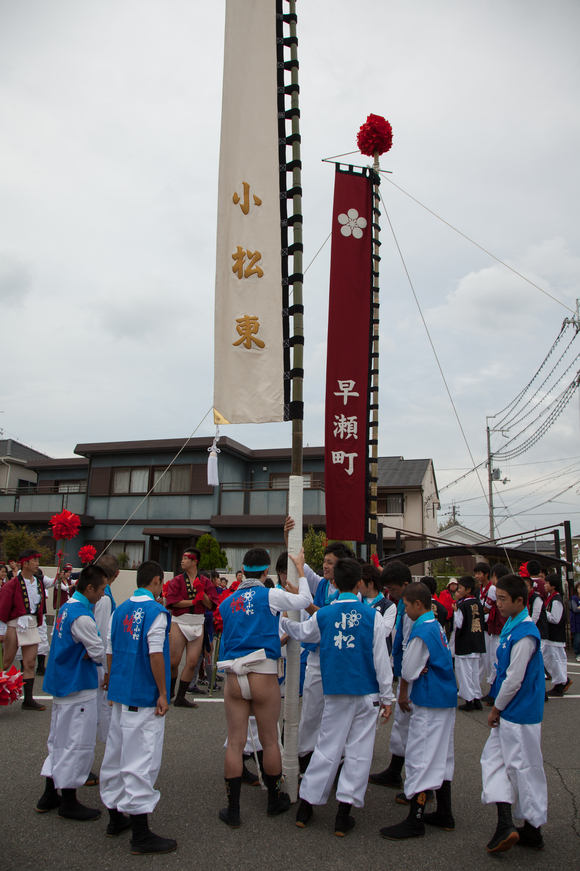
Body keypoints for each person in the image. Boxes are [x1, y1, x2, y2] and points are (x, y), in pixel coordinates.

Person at [281, 558, 393, 836]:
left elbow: (303, 633)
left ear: (333, 583)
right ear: (358, 584)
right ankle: (343, 814)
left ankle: (306, 806)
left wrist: (285, 621)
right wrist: (387, 697)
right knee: (358, 752)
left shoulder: (324, 614)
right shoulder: (373, 616)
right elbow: (382, 660)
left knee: (327, 747)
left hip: (335, 691)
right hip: (366, 692)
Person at [217, 546, 312, 828]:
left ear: (243, 570)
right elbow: (304, 600)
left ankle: (232, 810)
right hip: (263, 673)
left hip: (234, 675)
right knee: (270, 739)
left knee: (235, 742)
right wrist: (301, 569)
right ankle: (273, 800)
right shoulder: (268, 594)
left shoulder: (227, 601)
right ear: (265, 571)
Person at [99, 560, 176, 855]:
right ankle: (141, 835)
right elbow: (156, 653)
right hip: (143, 695)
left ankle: (115, 818)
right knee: (141, 760)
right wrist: (162, 692)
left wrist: (110, 680)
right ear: (156, 581)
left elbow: (110, 648)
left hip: (120, 692)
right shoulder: (157, 611)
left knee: (116, 756)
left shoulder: (119, 608)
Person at [380, 582, 457, 840]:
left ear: (418, 604)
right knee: (443, 756)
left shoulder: (421, 630)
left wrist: (419, 670)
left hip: (430, 699)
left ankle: (415, 820)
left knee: (421, 757)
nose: (405, 609)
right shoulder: (435, 625)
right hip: (444, 698)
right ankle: (445, 812)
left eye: (406, 605)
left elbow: (410, 670)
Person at [480, 573, 547, 853]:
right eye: (498, 599)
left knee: (523, 770)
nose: (500, 604)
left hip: (520, 714)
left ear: (521, 600)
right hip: (511, 712)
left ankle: (530, 830)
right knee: (495, 762)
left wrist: (496, 707)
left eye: (504, 600)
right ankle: (507, 824)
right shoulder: (512, 625)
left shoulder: (525, 634)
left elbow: (514, 679)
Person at [284, 515, 356, 773]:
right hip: (316, 657)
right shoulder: (322, 584)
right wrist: (288, 536)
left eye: (330, 563)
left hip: (338, 659)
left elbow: (327, 617)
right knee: (312, 711)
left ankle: (338, 759)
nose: (325, 566)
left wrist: (304, 601)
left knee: (336, 714)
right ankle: (305, 756)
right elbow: (298, 561)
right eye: (324, 561)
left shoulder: (350, 593)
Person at [36, 565, 107, 820]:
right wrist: (93, 655)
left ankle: (50, 794)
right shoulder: (82, 616)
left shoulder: (67, 608)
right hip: (78, 685)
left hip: (62, 683)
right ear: (89, 588)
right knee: (76, 743)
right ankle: (68, 800)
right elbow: (98, 651)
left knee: (58, 740)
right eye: (100, 590)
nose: (102, 595)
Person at [369, 561, 417, 796]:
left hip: (412, 680)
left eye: (393, 590)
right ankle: (394, 771)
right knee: (401, 727)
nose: (390, 594)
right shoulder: (405, 607)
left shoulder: (414, 611)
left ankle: (421, 786)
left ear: (406, 585)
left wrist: (404, 687)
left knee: (414, 732)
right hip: (403, 673)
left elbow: (413, 650)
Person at [164, 548, 220, 708]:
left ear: (195, 561)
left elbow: (211, 605)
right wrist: (194, 601)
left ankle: (181, 696)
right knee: (173, 662)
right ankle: (170, 692)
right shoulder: (176, 580)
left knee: (192, 661)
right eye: (181, 558)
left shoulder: (205, 582)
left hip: (197, 621)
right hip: (179, 621)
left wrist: (203, 594)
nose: (182, 561)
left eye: (186, 558)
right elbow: (173, 601)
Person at [0, 549, 48, 710]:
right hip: (15, 624)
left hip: (32, 624)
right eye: (34, 561)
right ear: (25, 563)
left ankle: (28, 699)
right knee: (5, 662)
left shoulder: (38, 582)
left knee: (29, 663)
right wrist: (1, 631)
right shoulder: (12, 584)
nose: (37, 564)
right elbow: (3, 609)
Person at [93, 554, 120, 745]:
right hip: (98, 663)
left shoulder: (101, 592)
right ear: (117, 574)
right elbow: (102, 636)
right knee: (98, 709)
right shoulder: (104, 597)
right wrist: (107, 669)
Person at [452, 575, 486, 711]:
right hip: (477, 643)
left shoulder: (462, 605)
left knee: (464, 673)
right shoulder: (478, 603)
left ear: (468, 590)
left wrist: (455, 612)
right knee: (474, 672)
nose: (458, 590)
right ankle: (477, 698)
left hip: (465, 644)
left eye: (460, 588)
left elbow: (459, 624)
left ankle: (469, 700)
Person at [480, 563, 510, 705]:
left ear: (494, 575)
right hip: (506, 628)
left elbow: (486, 609)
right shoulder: (510, 589)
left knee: (495, 662)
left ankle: (497, 693)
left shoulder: (494, 589)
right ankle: (494, 692)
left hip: (497, 628)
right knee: (500, 662)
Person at [544, 573, 572, 697]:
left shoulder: (556, 600)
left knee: (556, 660)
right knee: (549, 659)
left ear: (553, 586)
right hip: (551, 636)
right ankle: (561, 680)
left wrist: (544, 613)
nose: (544, 585)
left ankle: (561, 683)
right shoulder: (551, 598)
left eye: (546, 583)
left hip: (556, 636)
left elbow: (556, 618)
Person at [360, 563, 397, 653]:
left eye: (360, 582)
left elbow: (384, 631)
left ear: (370, 584)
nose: (357, 586)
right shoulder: (357, 600)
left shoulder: (389, 606)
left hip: (380, 655)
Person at [570, 581, 580, 663]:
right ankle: (577, 654)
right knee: (577, 640)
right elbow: (575, 609)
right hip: (576, 622)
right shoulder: (574, 598)